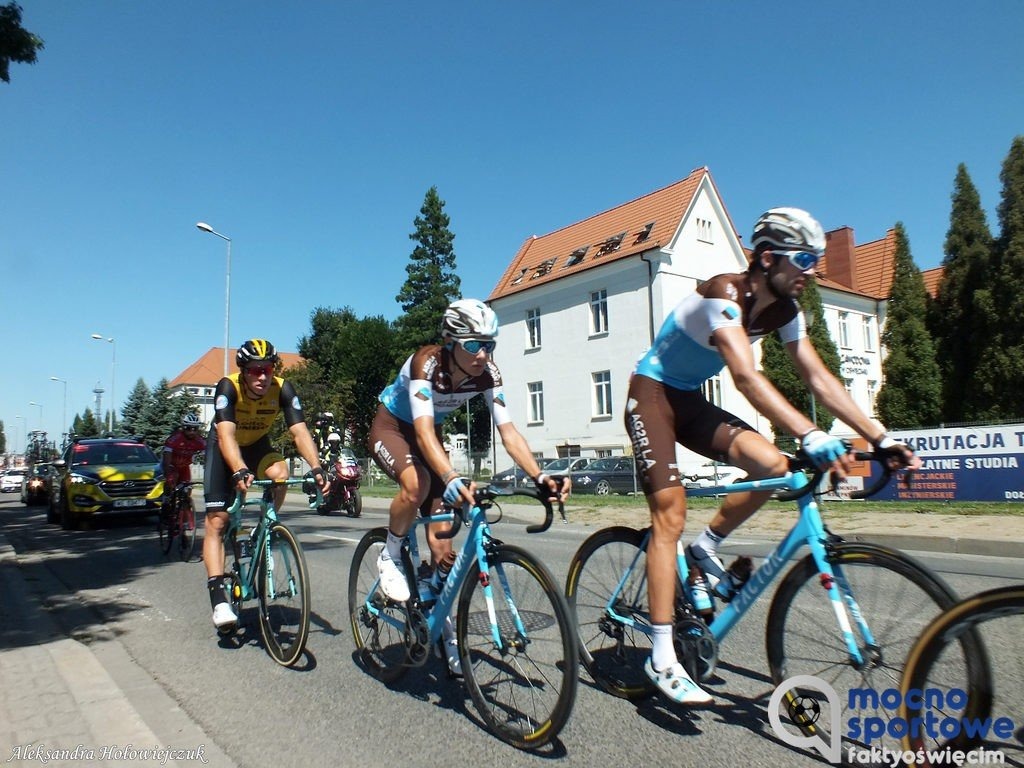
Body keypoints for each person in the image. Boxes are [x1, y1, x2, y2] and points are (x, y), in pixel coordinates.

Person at [624, 207, 921, 705]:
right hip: (651, 393)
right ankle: (660, 655)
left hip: (690, 399)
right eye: (804, 259)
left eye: (817, 260)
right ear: (767, 258)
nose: (812, 271)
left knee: (774, 468)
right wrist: (807, 432)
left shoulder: (785, 310)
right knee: (669, 515)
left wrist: (881, 436)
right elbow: (745, 376)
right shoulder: (724, 294)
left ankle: (707, 547)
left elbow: (818, 376)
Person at [369, 298, 570, 676]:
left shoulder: (488, 373)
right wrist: (450, 476)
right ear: (450, 341)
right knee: (417, 483)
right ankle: (391, 552)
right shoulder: (425, 363)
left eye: (489, 344)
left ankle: (440, 621)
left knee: (442, 544)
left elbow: (508, 431)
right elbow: (423, 431)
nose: (483, 354)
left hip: (429, 436)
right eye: (474, 345)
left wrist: (539, 476)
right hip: (394, 428)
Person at [202, 338, 328, 631]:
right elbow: (227, 437)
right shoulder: (228, 387)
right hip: (225, 447)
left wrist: (317, 466)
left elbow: (299, 432)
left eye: (268, 369)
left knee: (280, 472)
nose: (262, 376)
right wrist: (238, 469)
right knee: (217, 521)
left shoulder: (282, 388)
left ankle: (265, 527)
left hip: (258, 445)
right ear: (243, 371)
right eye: (255, 370)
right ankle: (219, 598)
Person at [161, 412, 207, 527]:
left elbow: (208, 456)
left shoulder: (199, 440)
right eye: (188, 428)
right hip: (171, 465)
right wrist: (167, 474)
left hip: (184, 467)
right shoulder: (175, 438)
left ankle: (184, 521)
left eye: (195, 428)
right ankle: (166, 502)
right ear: (183, 428)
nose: (191, 432)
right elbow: (167, 457)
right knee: (171, 481)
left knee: (187, 492)